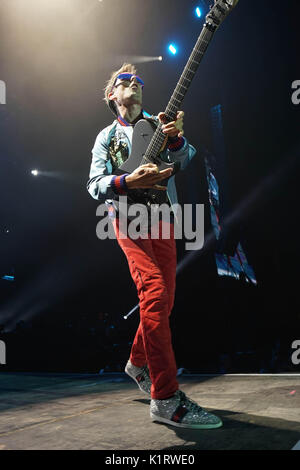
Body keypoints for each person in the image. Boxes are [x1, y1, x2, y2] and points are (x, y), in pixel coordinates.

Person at [87, 63, 222, 429]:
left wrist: (176, 138)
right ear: (111, 95)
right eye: (123, 81)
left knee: (164, 301)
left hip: (163, 219)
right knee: (155, 292)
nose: (133, 83)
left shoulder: (158, 123)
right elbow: (94, 184)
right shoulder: (105, 137)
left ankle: (137, 361)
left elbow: (185, 158)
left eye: (138, 81)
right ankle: (165, 397)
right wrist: (128, 180)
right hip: (128, 221)